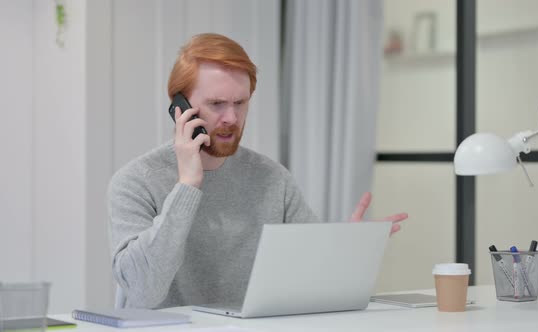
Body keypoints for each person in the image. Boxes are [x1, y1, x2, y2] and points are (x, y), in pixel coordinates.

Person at [108, 33, 408, 309]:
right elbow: (142, 291)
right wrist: (187, 186)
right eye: (216, 104)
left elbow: (311, 276)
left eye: (240, 103)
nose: (231, 117)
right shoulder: (136, 182)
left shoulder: (272, 180)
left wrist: (345, 249)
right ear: (180, 108)